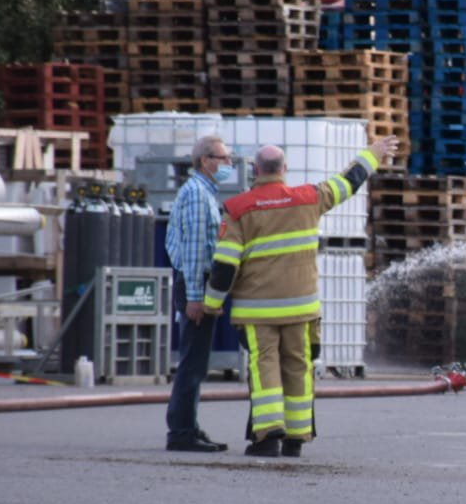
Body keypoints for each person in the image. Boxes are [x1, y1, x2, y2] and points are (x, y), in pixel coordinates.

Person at [203, 135, 401, 456]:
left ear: (256, 170)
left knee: (264, 364)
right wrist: (373, 153)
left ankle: (267, 438)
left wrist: (211, 306)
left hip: (257, 311)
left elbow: (224, 266)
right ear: (285, 169)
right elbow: (348, 182)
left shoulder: (238, 209)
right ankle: (296, 438)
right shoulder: (310, 198)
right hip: (301, 307)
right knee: (298, 365)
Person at [165, 134, 232, 453]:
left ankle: (187, 426)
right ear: (205, 161)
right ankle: (180, 432)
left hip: (197, 282)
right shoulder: (196, 195)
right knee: (193, 361)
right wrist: (195, 297)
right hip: (196, 284)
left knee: (197, 361)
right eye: (224, 158)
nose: (228, 164)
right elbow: (192, 250)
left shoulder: (202, 192)